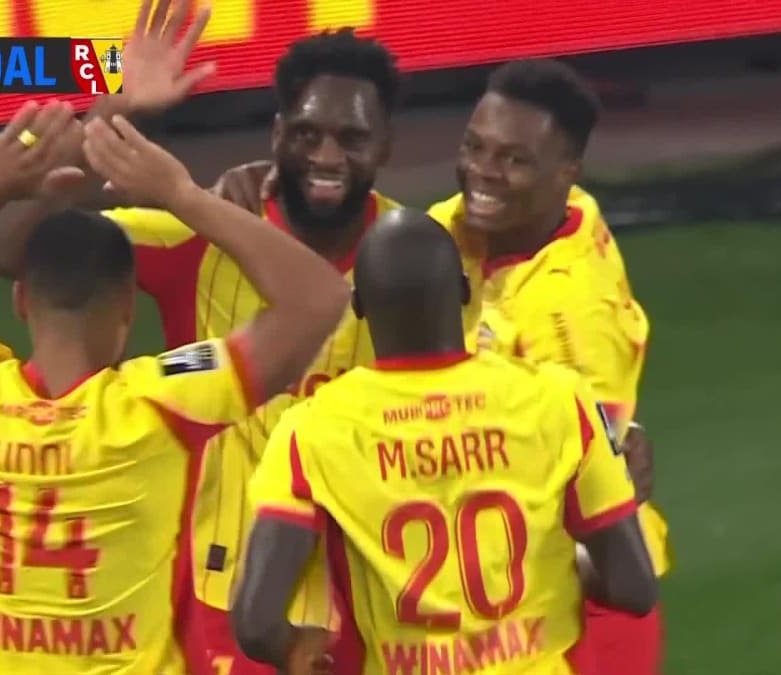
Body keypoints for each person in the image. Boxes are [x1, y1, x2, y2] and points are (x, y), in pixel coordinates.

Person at [0, 6, 431, 671]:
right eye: (306, 133)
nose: (326, 156)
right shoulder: (202, 238)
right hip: (232, 597)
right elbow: (9, 249)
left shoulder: (420, 257)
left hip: (385, 585)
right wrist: (116, 111)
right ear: (277, 134)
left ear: (385, 145)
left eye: (351, 137)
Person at [0, 100, 347, 675]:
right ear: (126, 308)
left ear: (21, 300)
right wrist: (182, 195)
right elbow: (318, 298)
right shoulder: (160, 403)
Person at [215, 56, 669, 674]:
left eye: (513, 160)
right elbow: (401, 251)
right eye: (476, 147)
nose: (483, 172)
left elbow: (599, 514)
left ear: (567, 171)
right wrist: (284, 181)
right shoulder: (497, 222)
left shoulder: (569, 317)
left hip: (576, 600)